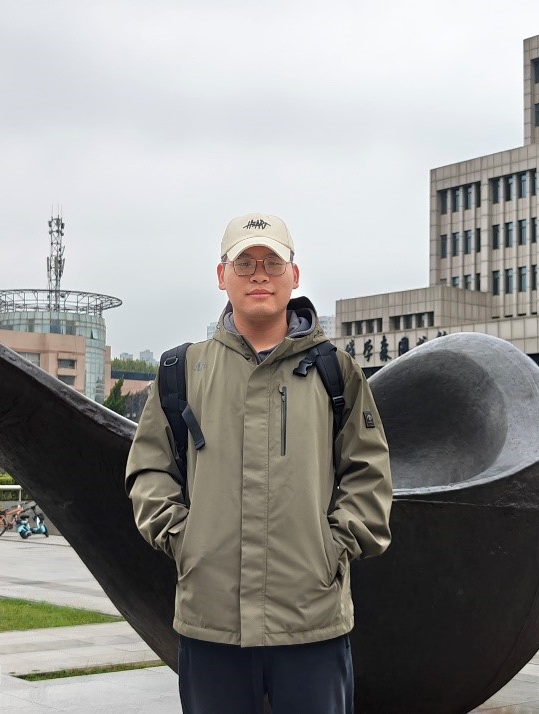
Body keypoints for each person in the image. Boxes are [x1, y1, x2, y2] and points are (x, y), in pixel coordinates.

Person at [126, 212, 393, 713]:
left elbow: (369, 472)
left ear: (295, 274)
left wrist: (332, 550)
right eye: (244, 263)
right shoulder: (182, 371)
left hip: (310, 620)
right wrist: (186, 542)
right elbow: (149, 470)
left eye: (273, 262)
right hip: (212, 622)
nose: (259, 275)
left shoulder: (336, 372)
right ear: (221, 275)